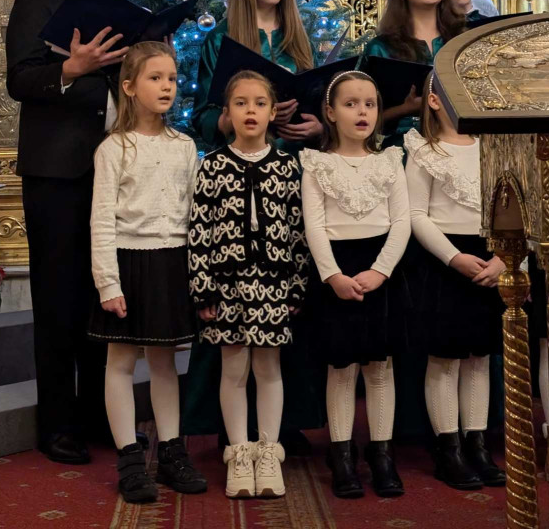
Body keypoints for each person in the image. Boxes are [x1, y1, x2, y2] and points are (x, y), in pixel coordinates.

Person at [6, 0, 128, 464]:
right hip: (55, 170)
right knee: (58, 299)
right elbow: (20, 79)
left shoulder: (119, 9)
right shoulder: (37, 0)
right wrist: (71, 69)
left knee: (103, 294)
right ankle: (56, 424)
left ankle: (99, 417)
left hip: (110, 171)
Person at [89, 41, 207, 503]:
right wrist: (108, 283)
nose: (166, 87)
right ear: (129, 87)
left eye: (172, 78)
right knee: (120, 361)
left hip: (172, 260)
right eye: (155, 78)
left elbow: (196, 215)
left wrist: (198, 275)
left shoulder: (185, 147)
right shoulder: (113, 148)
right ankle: (130, 460)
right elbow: (101, 219)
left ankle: (172, 452)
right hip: (127, 260)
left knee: (164, 361)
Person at [188, 70, 310, 499]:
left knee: (269, 369)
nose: (250, 111)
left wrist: (297, 285)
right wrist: (202, 288)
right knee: (234, 368)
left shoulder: (287, 166)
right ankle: (239, 454)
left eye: (259, 103)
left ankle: (268, 453)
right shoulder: (212, 166)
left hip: (274, 283)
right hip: (227, 286)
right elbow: (199, 231)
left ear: (273, 112)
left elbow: (298, 231)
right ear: (227, 112)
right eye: (240, 103)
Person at [300, 71, 410, 500]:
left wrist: (381, 270)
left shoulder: (390, 162)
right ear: (330, 113)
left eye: (369, 104)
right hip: (338, 273)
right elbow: (314, 226)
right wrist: (332, 276)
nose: (362, 112)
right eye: (350, 104)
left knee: (380, 369)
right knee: (341, 368)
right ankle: (342, 455)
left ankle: (382, 454)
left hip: (380, 269)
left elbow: (401, 222)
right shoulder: (317, 165)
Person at [404, 74, 506, 490]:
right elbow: (416, 214)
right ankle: (448, 449)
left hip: (490, 257)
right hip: (444, 261)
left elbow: (515, 206)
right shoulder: (424, 151)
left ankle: (477, 444)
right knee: (445, 359)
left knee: (479, 357)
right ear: (433, 100)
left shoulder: (494, 146)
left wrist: (503, 259)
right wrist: (454, 257)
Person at [192, 0, 323, 150]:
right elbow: (203, 116)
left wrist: (319, 129)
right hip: (244, 160)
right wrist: (250, 113)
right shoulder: (221, 38)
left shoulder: (300, 38)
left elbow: (319, 105)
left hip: (297, 160)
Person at [361, 0, 465, 148]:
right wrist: (405, 108)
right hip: (402, 150)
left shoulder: (464, 40)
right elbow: (362, 116)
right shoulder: (380, 48)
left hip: (459, 146)